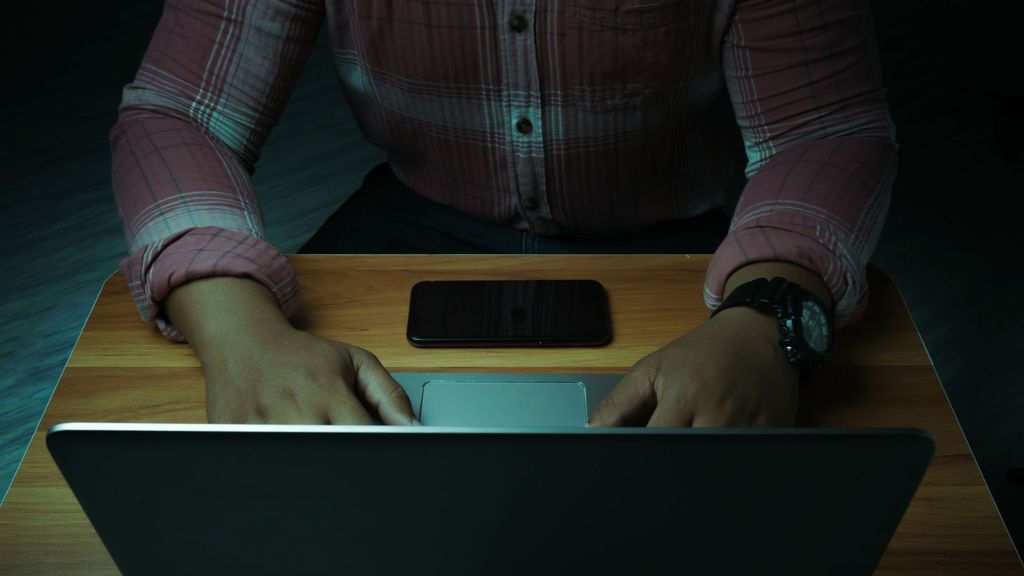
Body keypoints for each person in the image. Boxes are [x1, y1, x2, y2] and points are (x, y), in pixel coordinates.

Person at [110, 0, 896, 428]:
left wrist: (766, 315)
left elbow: (826, 130)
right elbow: (180, 112)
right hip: (411, 217)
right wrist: (236, 330)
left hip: (672, 243)